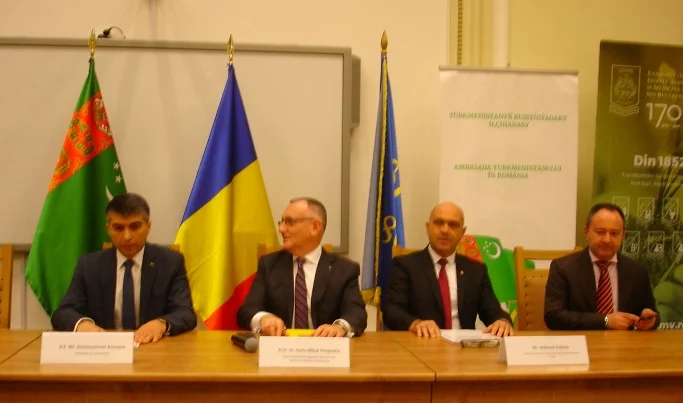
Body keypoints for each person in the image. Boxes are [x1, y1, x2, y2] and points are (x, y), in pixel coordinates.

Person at [51, 193, 197, 344]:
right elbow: (63, 312)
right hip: (105, 348)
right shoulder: (89, 265)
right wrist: (83, 325)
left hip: (153, 347)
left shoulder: (170, 262)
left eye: (135, 226)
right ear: (108, 229)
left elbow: (185, 313)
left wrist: (161, 324)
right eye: (119, 228)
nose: (127, 236)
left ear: (148, 227)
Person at [237, 197, 367, 337]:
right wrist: (263, 318)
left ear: (315, 227)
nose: (281, 229)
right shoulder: (269, 265)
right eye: (282, 222)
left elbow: (357, 313)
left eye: (289, 222)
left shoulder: (344, 269)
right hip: (280, 345)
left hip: (325, 347)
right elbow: (247, 310)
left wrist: (340, 326)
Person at [382, 202, 513, 337]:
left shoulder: (476, 270)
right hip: (422, 343)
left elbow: (494, 312)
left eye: (453, 225)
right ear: (428, 228)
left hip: (464, 346)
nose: (445, 230)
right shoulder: (405, 265)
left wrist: (502, 322)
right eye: (439, 223)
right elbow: (392, 312)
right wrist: (415, 324)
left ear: (462, 233)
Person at [544, 202, 659, 330]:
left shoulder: (637, 271)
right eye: (600, 232)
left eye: (614, 233)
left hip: (623, 341)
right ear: (586, 232)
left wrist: (649, 319)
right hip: (581, 340)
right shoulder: (563, 268)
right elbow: (554, 316)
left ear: (623, 235)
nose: (607, 240)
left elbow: (653, 314)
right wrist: (605, 320)